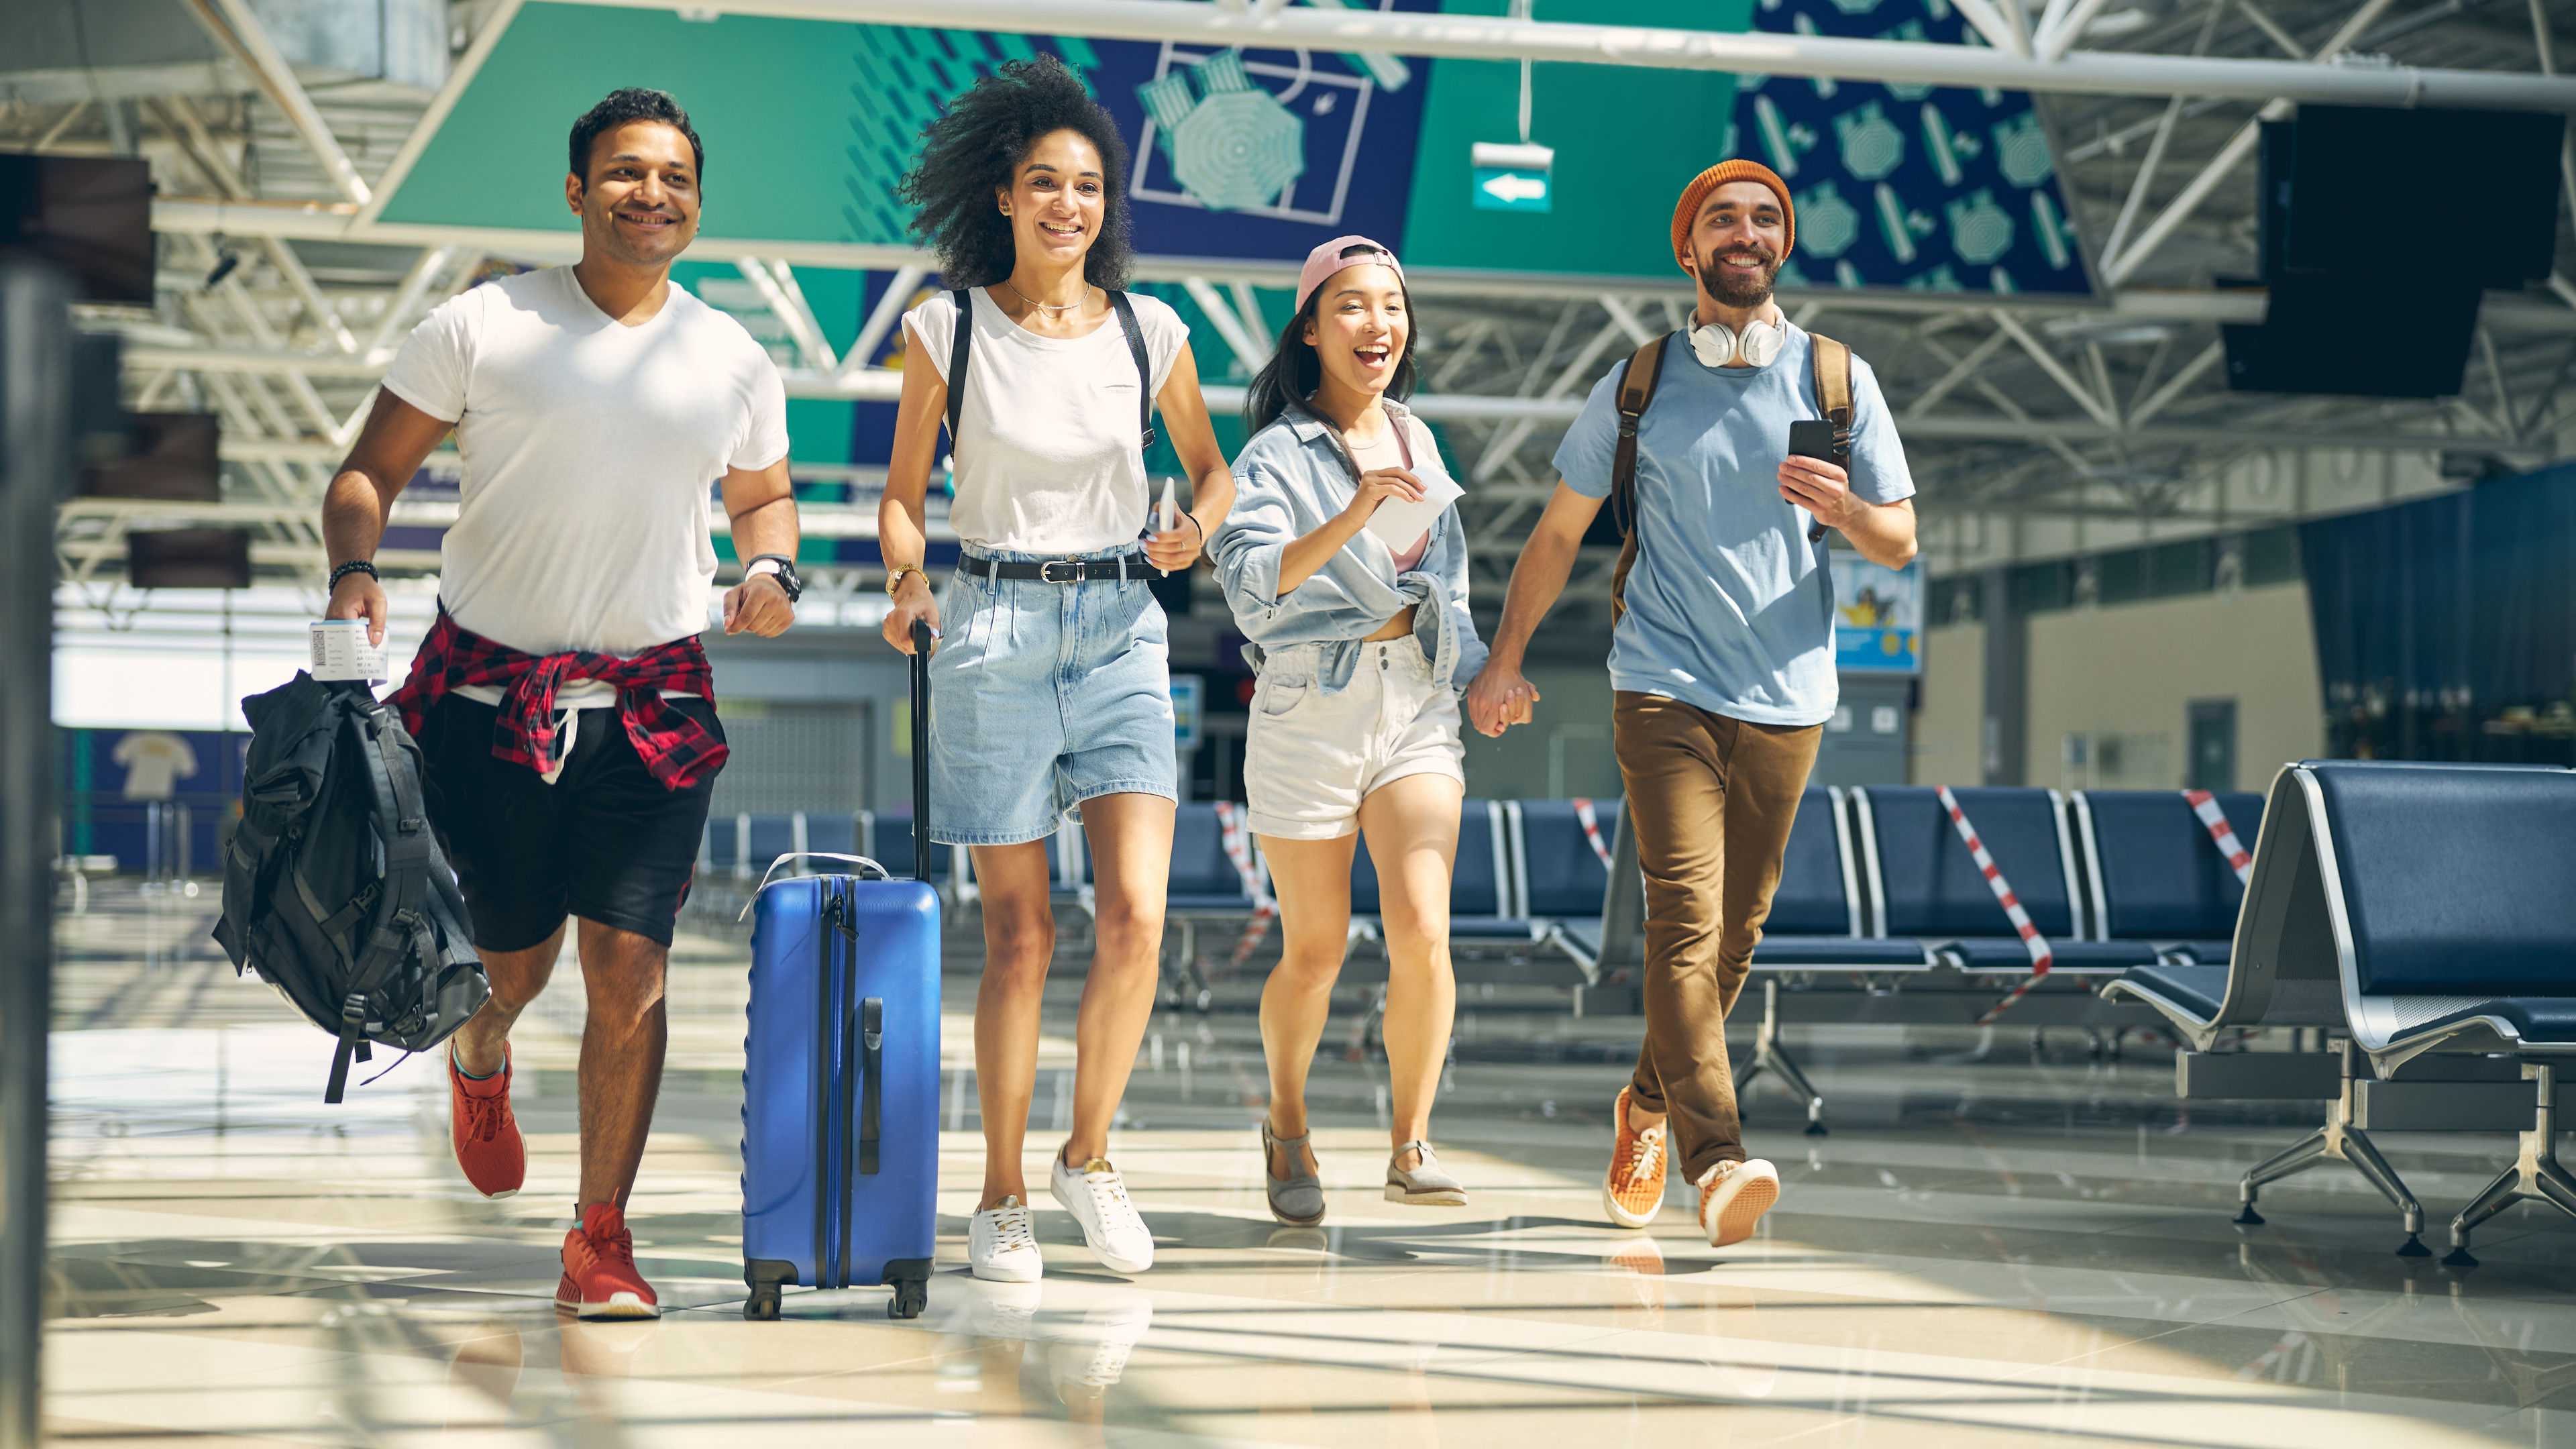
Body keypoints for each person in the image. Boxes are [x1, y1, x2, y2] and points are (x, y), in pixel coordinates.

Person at [322, 88, 801, 1318]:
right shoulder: (482, 324)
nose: (654, 193)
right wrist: (357, 571)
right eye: (627, 172)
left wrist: (770, 568)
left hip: (653, 702)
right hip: (484, 703)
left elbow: (763, 500)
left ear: (699, 201)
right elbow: (368, 473)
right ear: (577, 190)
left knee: (631, 974)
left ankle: (602, 1238)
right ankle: (481, 1052)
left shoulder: (732, 356)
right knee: (513, 969)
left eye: (677, 178)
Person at [1466, 160, 1917, 1248]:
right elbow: (1559, 532)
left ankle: (1648, 1101)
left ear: (1783, 246)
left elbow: (1899, 538)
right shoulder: (1637, 384)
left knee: (1734, 940)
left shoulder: (1836, 378)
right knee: (1683, 923)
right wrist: (1504, 658)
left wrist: (1844, 505)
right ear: (1690, 247)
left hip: (1791, 694)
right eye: (1724, 218)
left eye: (1765, 219)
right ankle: (1717, 1161)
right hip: (1661, 683)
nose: (1746, 233)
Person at [876, 57, 1234, 1283]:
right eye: (1045, 184)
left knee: (1137, 915)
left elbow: (1212, 467)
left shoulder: (1154, 329)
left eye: (1087, 187)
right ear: (1005, 197)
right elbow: (903, 498)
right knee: (1021, 935)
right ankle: (1003, 1197)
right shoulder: (947, 327)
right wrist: (907, 582)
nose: (1068, 205)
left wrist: (1194, 519)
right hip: (991, 626)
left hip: (1123, 623)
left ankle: (1091, 1159)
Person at [1208, 237, 1485, 1225]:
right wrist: (1353, 511)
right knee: (1316, 951)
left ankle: (1410, 1143)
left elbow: (1445, 581)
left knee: (1423, 927)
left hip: (1414, 701)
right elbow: (1250, 585)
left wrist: (1487, 671)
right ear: (1313, 330)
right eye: (1355, 307)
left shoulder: (1417, 436)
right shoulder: (1275, 454)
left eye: (1393, 307)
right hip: (1309, 710)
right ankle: (1288, 1123)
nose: (1379, 325)